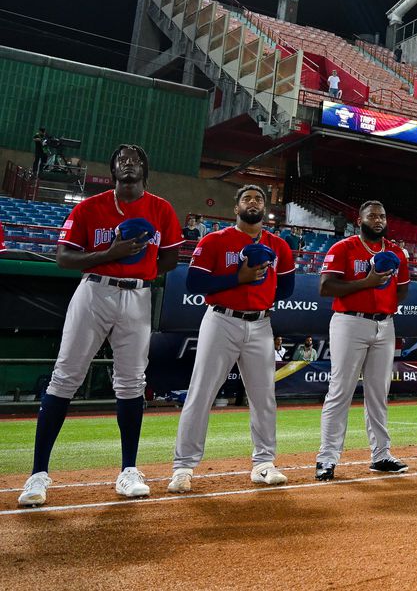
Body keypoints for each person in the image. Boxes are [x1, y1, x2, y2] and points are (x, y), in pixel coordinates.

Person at [18, 144, 182, 508]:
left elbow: (171, 256)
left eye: (135, 159)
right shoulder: (89, 207)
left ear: (145, 168)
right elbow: (63, 257)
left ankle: (128, 470)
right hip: (94, 289)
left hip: (138, 297)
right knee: (65, 376)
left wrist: (141, 268)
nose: (128, 164)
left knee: (132, 382)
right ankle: (37, 475)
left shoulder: (161, 209)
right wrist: (110, 255)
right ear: (112, 170)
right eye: (122, 160)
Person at [166, 184, 295, 495]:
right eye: (247, 198)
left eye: (259, 199)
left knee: (264, 397)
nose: (253, 202)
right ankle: (183, 467)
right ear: (236, 208)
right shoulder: (215, 240)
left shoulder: (279, 245)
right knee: (201, 393)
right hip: (221, 319)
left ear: (266, 209)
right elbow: (195, 282)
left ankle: (264, 463)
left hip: (261, 324)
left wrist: (259, 292)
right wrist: (239, 279)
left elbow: (288, 288)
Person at [313, 200, 411, 480]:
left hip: (384, 324)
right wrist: (365, 285)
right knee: (340, 390)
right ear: (360, 220)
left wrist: (382, 302)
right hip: (350, 321)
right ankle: (327, 458)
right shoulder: (343, 248)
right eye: (372, 216)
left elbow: (401, 290)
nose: (378, 220)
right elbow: (325, 286)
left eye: (382, 216)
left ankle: (381, 455)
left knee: (378, 394)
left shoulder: (395, 252)